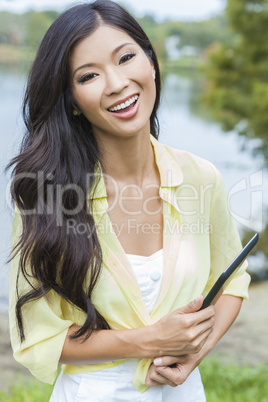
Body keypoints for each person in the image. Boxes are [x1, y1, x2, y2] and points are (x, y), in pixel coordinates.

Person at [7, 1, 250, 401]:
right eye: (89, 76)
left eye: (126, 58)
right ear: (71, 99)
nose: (117, 83)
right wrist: (149, 340)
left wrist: (195, 352)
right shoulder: (44, 194)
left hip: (184, 392)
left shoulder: (201, 178)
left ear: (151, 61)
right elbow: (36, 338)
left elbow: (232, 280)